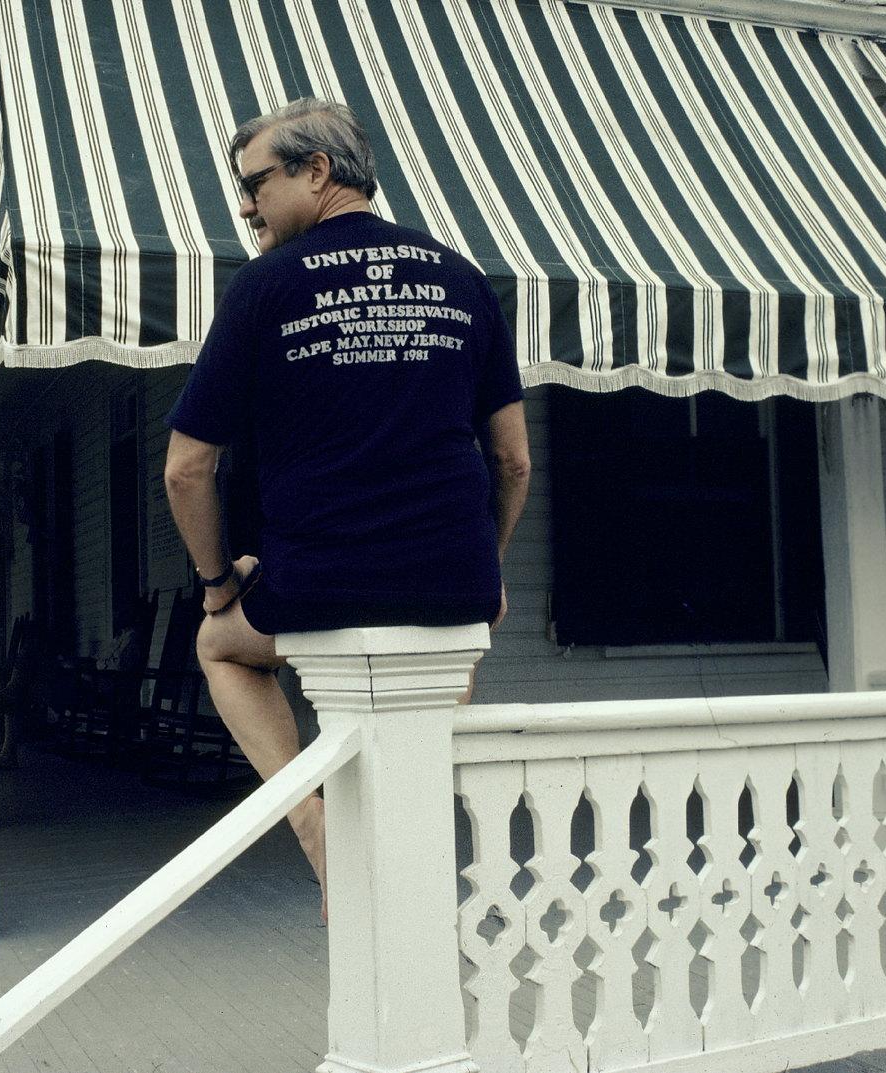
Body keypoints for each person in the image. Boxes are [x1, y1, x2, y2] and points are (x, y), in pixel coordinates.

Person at [163, 98, 532, 919]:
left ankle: (316, 830)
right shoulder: (466, 278)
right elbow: (512, 458)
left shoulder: (262, 288)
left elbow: (188, 471)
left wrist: (220, 583)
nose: (247, 205)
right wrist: (488, 566)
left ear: (317, 171)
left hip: (318, 587)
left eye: (255, 184)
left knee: (219, 647)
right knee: (443, 650)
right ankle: (406, 834)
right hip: (451, 587)